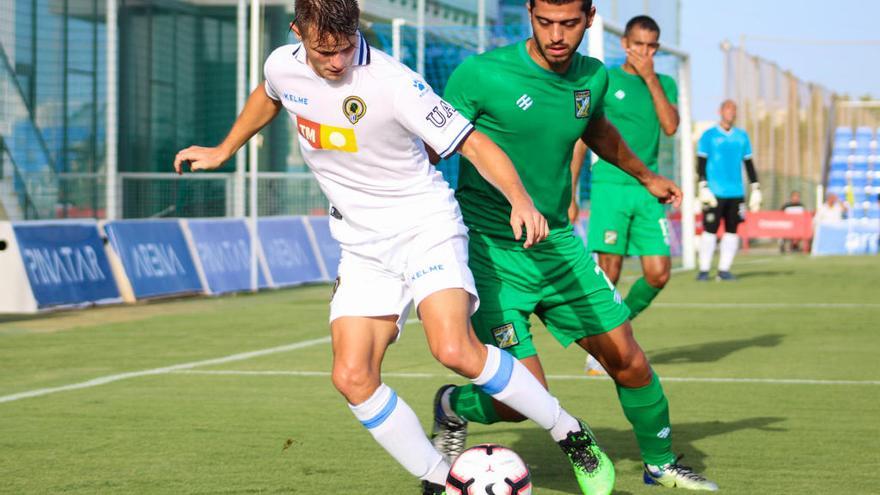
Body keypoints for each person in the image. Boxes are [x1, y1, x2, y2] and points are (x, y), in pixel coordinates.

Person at [173, 1, 616, 494]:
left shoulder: (394, 83)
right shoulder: (282, 63)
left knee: (454, 348)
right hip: (360, 244)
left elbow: (473, 144)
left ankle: (570, 432)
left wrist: (520, 200)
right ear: (299, 32)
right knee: (352, 377)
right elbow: (271, 93)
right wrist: (224, 148)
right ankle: (442, 481)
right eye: (324, 51)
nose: (338, 62)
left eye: (345, 48)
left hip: (424, 226)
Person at [430, 0, 718, 491]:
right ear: (529, 14)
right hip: (492, 254)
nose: (557, 35)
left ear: (589, 18)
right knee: (521, 398)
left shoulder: (593, 77)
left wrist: (646, 177)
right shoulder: (480, 74)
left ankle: (661, 463)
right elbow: (428, 148)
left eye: (569, 23)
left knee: (627, 358)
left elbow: (597, 130)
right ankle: (452, 405)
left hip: (559, 247)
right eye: (545, 22)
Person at [572, 14, 679, 376]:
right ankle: (604, 345)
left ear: (657, 49)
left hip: (649, 188)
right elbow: (581, 137)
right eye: (638, 45)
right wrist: (571, 193)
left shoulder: (663, 84)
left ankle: (616, 331)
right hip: (610, 187)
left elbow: (671, 125)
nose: (644, 53)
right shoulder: (606, 80)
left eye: (651, 47)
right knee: (610, 271)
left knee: (658, 273)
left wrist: (650, 79)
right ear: (625, 44)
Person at [696, 100, 762, 281]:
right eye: (728, 109)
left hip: (736, 192)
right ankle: (704, 270)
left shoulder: (741, 136)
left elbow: (748, 163)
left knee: (732, 230)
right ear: (720, 111)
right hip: (715, 192)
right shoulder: (708, 135)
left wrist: (755, 186)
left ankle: (723, 270)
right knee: (710, 229)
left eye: (734, 110)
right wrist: (703, 185)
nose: (731, 113)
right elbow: (701, 162)